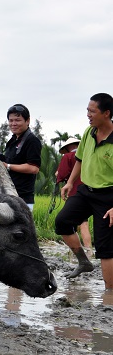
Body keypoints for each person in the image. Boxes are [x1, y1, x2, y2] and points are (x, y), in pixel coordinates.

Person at [55, 92, 113, 288]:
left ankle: (109, 296)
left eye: (92, 111)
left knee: (105, 248)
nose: (88, 114)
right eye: (87, 110)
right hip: (85, 191)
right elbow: (80, 158)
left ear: (106, 113)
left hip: (108, 197)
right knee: (62, 222)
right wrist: (70, 182)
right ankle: (83, 261)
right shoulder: (89, 132)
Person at [55, 137, 92, 256]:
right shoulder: (88, 154)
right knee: (84, 224)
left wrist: (60, 176)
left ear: (67, 147)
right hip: (92, 190)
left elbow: (61, 174)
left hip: (76, 193)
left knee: (69, 223)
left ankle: (76, 253)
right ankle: (89, 250)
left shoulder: (68, 157)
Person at [2, 104, 42, 210]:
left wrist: (8, 166)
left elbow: (34, 168)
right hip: (8, 196)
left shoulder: (32, 141)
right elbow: (10, 161)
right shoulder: (12, 141)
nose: (13, 124)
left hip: (23, 199)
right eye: (11, 120)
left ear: (27, 121)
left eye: (17, 120)